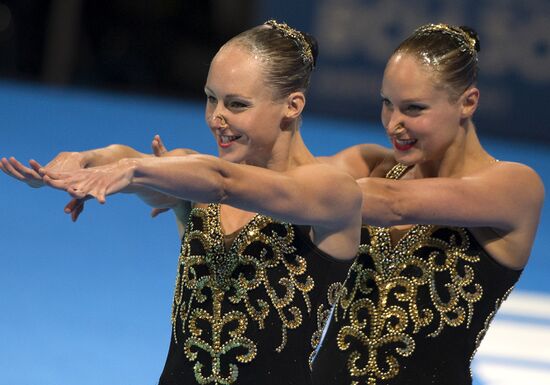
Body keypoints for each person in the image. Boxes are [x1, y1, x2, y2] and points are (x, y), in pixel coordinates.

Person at [1, 20, 362, 385]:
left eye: (236, 104)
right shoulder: (195, 180)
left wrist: (135, 168)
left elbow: (222, 181)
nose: (216, 118)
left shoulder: (331, 191)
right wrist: (83, 161)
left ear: (292, 105)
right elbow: (136, 159)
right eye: (210, 98)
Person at [310, 23, 544, 385]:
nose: (394, 124)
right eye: (387, 104)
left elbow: (395, 205)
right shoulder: (376, 166)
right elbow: (293, 176)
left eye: (414, 108)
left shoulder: (514, 186)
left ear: (468, 102)